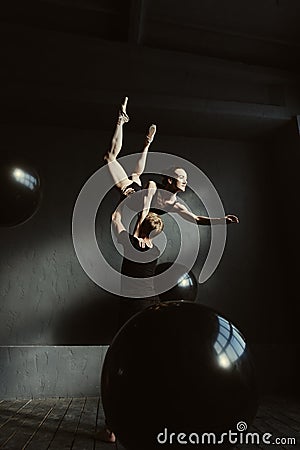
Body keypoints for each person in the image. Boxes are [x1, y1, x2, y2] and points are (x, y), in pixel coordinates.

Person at [97, 205, 164, 443]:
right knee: (146, 365)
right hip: (150, 308)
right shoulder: (155, 250)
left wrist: (124, 201)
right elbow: (140, 236)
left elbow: (115, 218)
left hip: (131, 309)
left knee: (119, 365)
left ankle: (111, 428)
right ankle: (149, 420)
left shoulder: (128, 243)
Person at [149, 166, 239, 225]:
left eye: (186, 179)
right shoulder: (153, 188)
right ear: (170, 180)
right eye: (181, 178)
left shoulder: (176, 206)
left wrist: (221, 220)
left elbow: (197, 219)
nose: (185, 182)